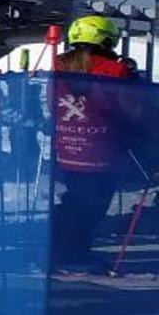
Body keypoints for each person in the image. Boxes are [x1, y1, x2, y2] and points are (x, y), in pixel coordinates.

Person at [51, 15, 134, 269]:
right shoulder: (115, 71)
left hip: (67, 147)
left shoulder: (57, 66)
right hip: (102, 150)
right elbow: (128, 108)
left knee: (75, 201)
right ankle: (71, 253)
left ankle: (63, 250)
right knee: (91, 206)